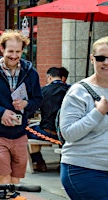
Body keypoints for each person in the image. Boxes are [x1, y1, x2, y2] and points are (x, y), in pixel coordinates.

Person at [0, 30, 42, 186]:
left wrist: (27, 105)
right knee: (2, 181)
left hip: (19, 134)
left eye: (18, 51)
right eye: (10, 51)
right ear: (1, 49)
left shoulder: (31, 73)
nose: (14, 55)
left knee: (15, 183)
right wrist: (1, 111)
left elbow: (38, 100)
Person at [59, 36, 108, 199]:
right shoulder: (79, 91)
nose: (106, 62)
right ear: (92, 59)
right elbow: (68, 133)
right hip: (83, 169)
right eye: (101, 58)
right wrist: (98, 113)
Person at [27, 67, 70, 172]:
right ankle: (62, 162)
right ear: (62, 78)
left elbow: (31, 111)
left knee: (25, 130)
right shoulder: (71, 90)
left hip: (48, 133)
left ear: (49, 77)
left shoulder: (43, 91)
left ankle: (39, 162)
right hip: (67, 134)